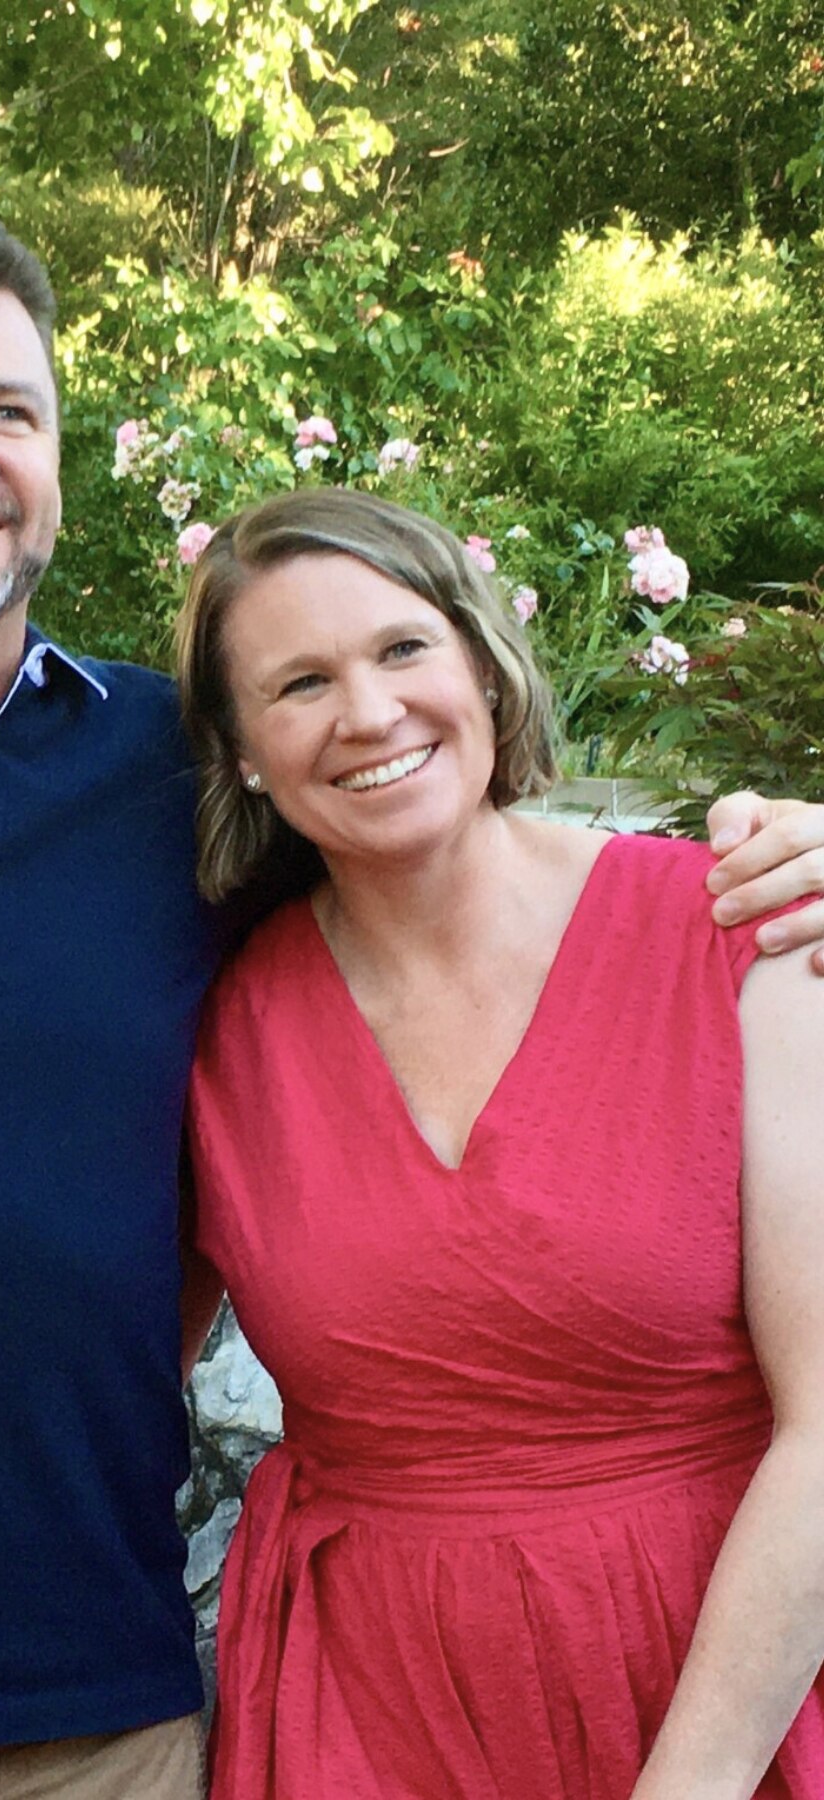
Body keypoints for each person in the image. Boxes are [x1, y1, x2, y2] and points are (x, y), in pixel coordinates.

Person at [0, 207, 824, 1799]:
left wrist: (771, 851)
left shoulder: (174, 778)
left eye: (10, 412)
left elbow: (445, 862)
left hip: (114, 1717)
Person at [175, 488, 824, 1799]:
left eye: (402, 650)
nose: (367, 712)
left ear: (481, 662)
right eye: (300, 682)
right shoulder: (210, 1029)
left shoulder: (742, 930)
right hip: (365, 1715)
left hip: (722, 1696)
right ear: (242, 749)